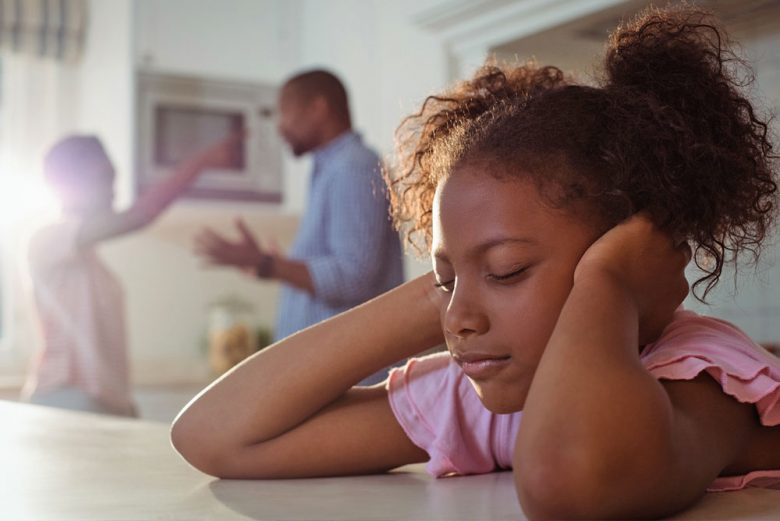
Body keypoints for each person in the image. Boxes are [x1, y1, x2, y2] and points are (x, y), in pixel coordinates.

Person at [171, 7, 780, 519]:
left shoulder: (702, 378)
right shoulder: (489, 391)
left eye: (508, 270)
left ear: (636, 255)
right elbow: (215, 437)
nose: (459, 316)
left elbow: (567, 481)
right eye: (445, 277)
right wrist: (438, 297)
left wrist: (610, 284)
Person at [194, 69, 404, 384]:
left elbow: (354, 277)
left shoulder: (352, 169)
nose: (280, 126)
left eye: (285, 111)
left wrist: (269, 265)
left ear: (317, 108)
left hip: (351, 383)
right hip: (331, 379)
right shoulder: (331, 169)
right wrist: (275, 266)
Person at [23, 134, 237, 416]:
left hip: (97, 403)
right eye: (104, 177)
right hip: (66, 398)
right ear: (69, 182)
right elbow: (137, 216)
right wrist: (201, 162)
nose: (114, 189)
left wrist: (125, 407)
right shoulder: (47, 239)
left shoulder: (89, 261)